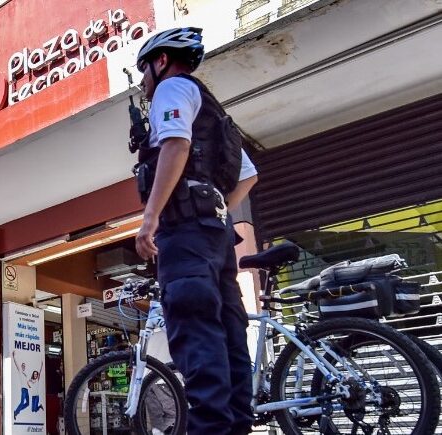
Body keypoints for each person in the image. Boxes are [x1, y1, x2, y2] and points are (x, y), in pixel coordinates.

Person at [132, 28, 257, 434]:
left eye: (144, 70)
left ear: (161, 61)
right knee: (229, 336)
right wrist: (214, 207)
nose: (143, 81)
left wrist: (150, 217)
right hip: (216, 237)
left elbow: (175, 146)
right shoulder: (215, 111)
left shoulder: (171, 89)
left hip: (185, 233)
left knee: (197, 332)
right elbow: (249, 175)